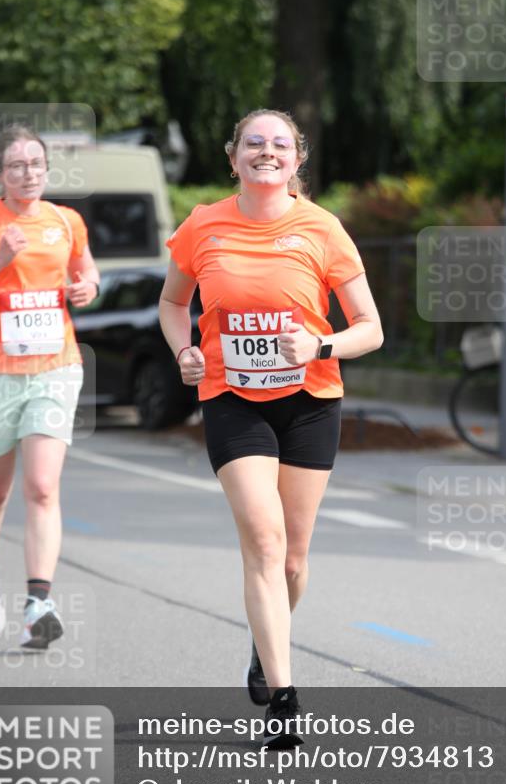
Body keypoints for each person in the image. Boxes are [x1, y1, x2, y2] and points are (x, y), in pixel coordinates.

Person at [159, 109, 383, 748]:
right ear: (233, 157)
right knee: (262, 537)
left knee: (292, 556)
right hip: (232, 397)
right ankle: (284, 702)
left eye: (278, 144)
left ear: (297, 159)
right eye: (253, 143)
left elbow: (371, 328)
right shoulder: (203, 224)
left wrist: (319, 346)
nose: (266, 152)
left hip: (310, 401)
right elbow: (174, 303)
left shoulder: (322, 228)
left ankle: (266, 641)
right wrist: (184, 353)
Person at [0, 125, 100, 649]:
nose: (28, 173)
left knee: (41, 487)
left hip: (55, 368)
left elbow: (87, 273)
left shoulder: (65, 221)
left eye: (36, 163)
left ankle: (39, 601)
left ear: (46, 169)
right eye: (16, 165)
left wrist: (86, 288)